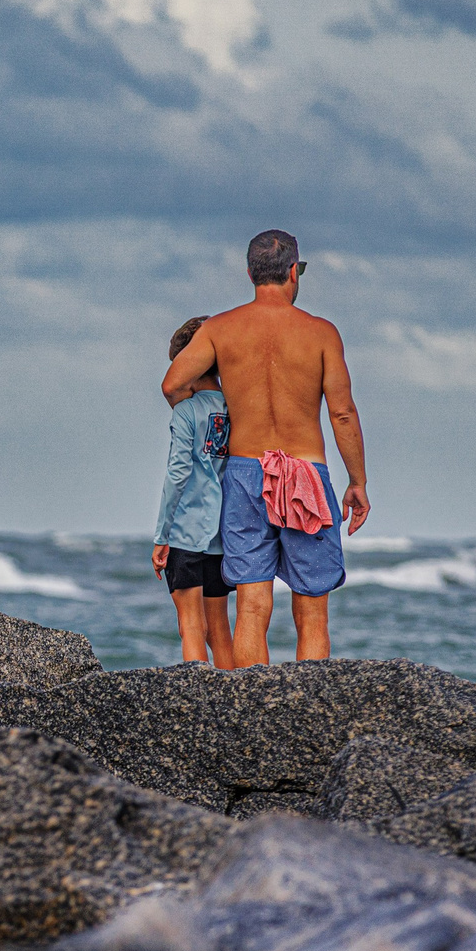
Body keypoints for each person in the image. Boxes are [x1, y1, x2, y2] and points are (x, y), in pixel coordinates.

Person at [160, 229, 371, 663]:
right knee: (311, 612)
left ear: (250, 273)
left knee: (252, 607)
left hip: (245, 473)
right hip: (305, 475)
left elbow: (173, 383)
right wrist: (357, 481)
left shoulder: (221, 329)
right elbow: (343, 414)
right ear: (294, 272)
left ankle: (252, 716)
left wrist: (209, 422)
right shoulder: (322, 333)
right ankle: (304, 713)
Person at [152, 315, 235, 667]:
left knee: (190, 626)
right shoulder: (238, 409)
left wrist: (161, 535)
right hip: (221, 535)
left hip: (186, 533)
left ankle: (198, 706)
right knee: (219, 630)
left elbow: (178, 473)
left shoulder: (186, 412)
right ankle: (239, 699)